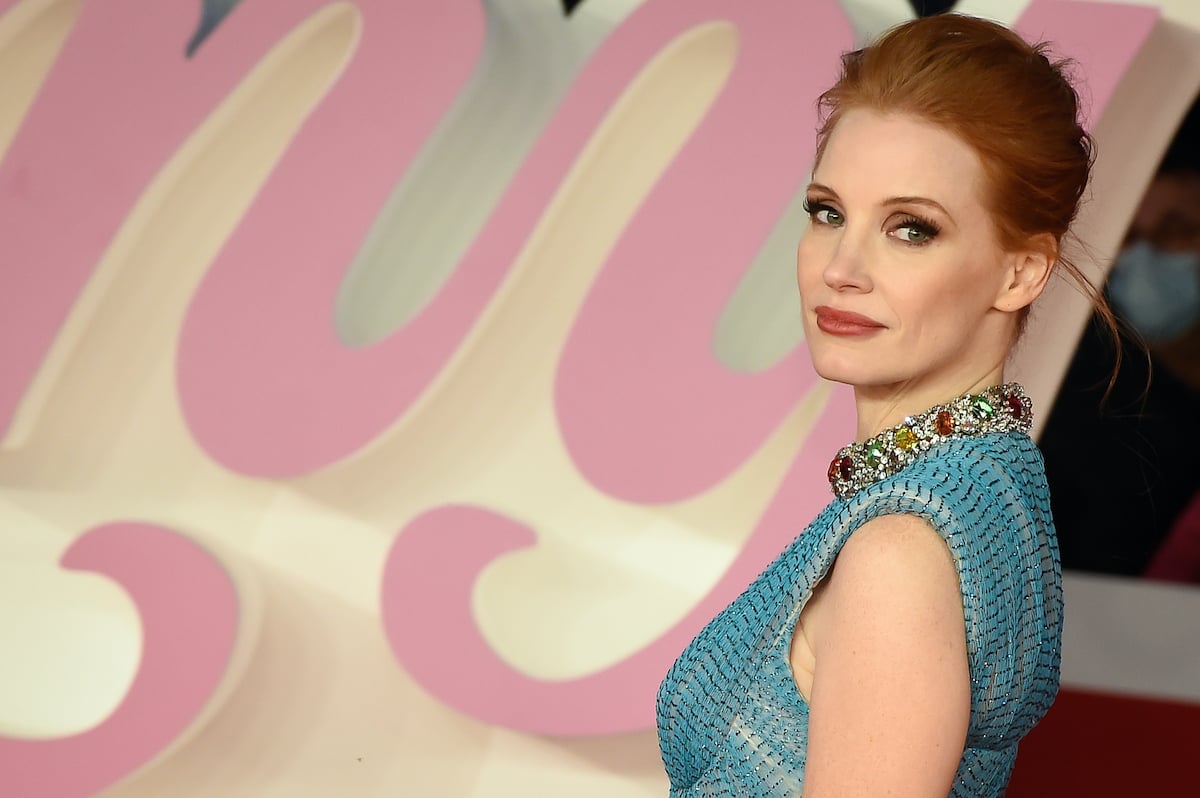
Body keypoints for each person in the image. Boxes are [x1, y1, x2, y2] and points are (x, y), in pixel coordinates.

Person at [656, 14, 1111, 796]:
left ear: (1020, 273)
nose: (841, 267)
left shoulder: (900, 552)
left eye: (911, 229)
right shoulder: (989, 487)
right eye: (827, 212)